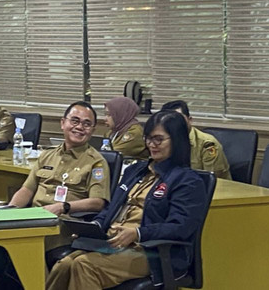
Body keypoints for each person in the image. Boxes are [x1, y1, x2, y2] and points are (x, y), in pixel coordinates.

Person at [46, 111, 210, 290]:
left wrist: (138, 233)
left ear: (177, 140)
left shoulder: (187, 180)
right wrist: (94, 227)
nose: (151, 145)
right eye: (148, 139)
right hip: (113, 242)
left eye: (158, 139)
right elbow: (110, 209)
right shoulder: (136, 170)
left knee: (84, 266)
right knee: (64, 265)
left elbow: (181, 227)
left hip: (151, 251)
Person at [9, 101, 110, 252]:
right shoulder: (47, 155)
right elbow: (27, 190)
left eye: (87, 124)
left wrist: (63, 207)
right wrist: (9, 211)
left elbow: (98, 202)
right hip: (33, 220)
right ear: (63, 123)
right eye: (75, 121)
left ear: (93, 130)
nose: (80, 127)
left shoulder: (96, 162)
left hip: (62, 226)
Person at [160, 100, 231, 179]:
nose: (175, 125)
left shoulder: (207, 144)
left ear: (190, 120)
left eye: (180, 119)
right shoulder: (163, 142)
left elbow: (211, 180)